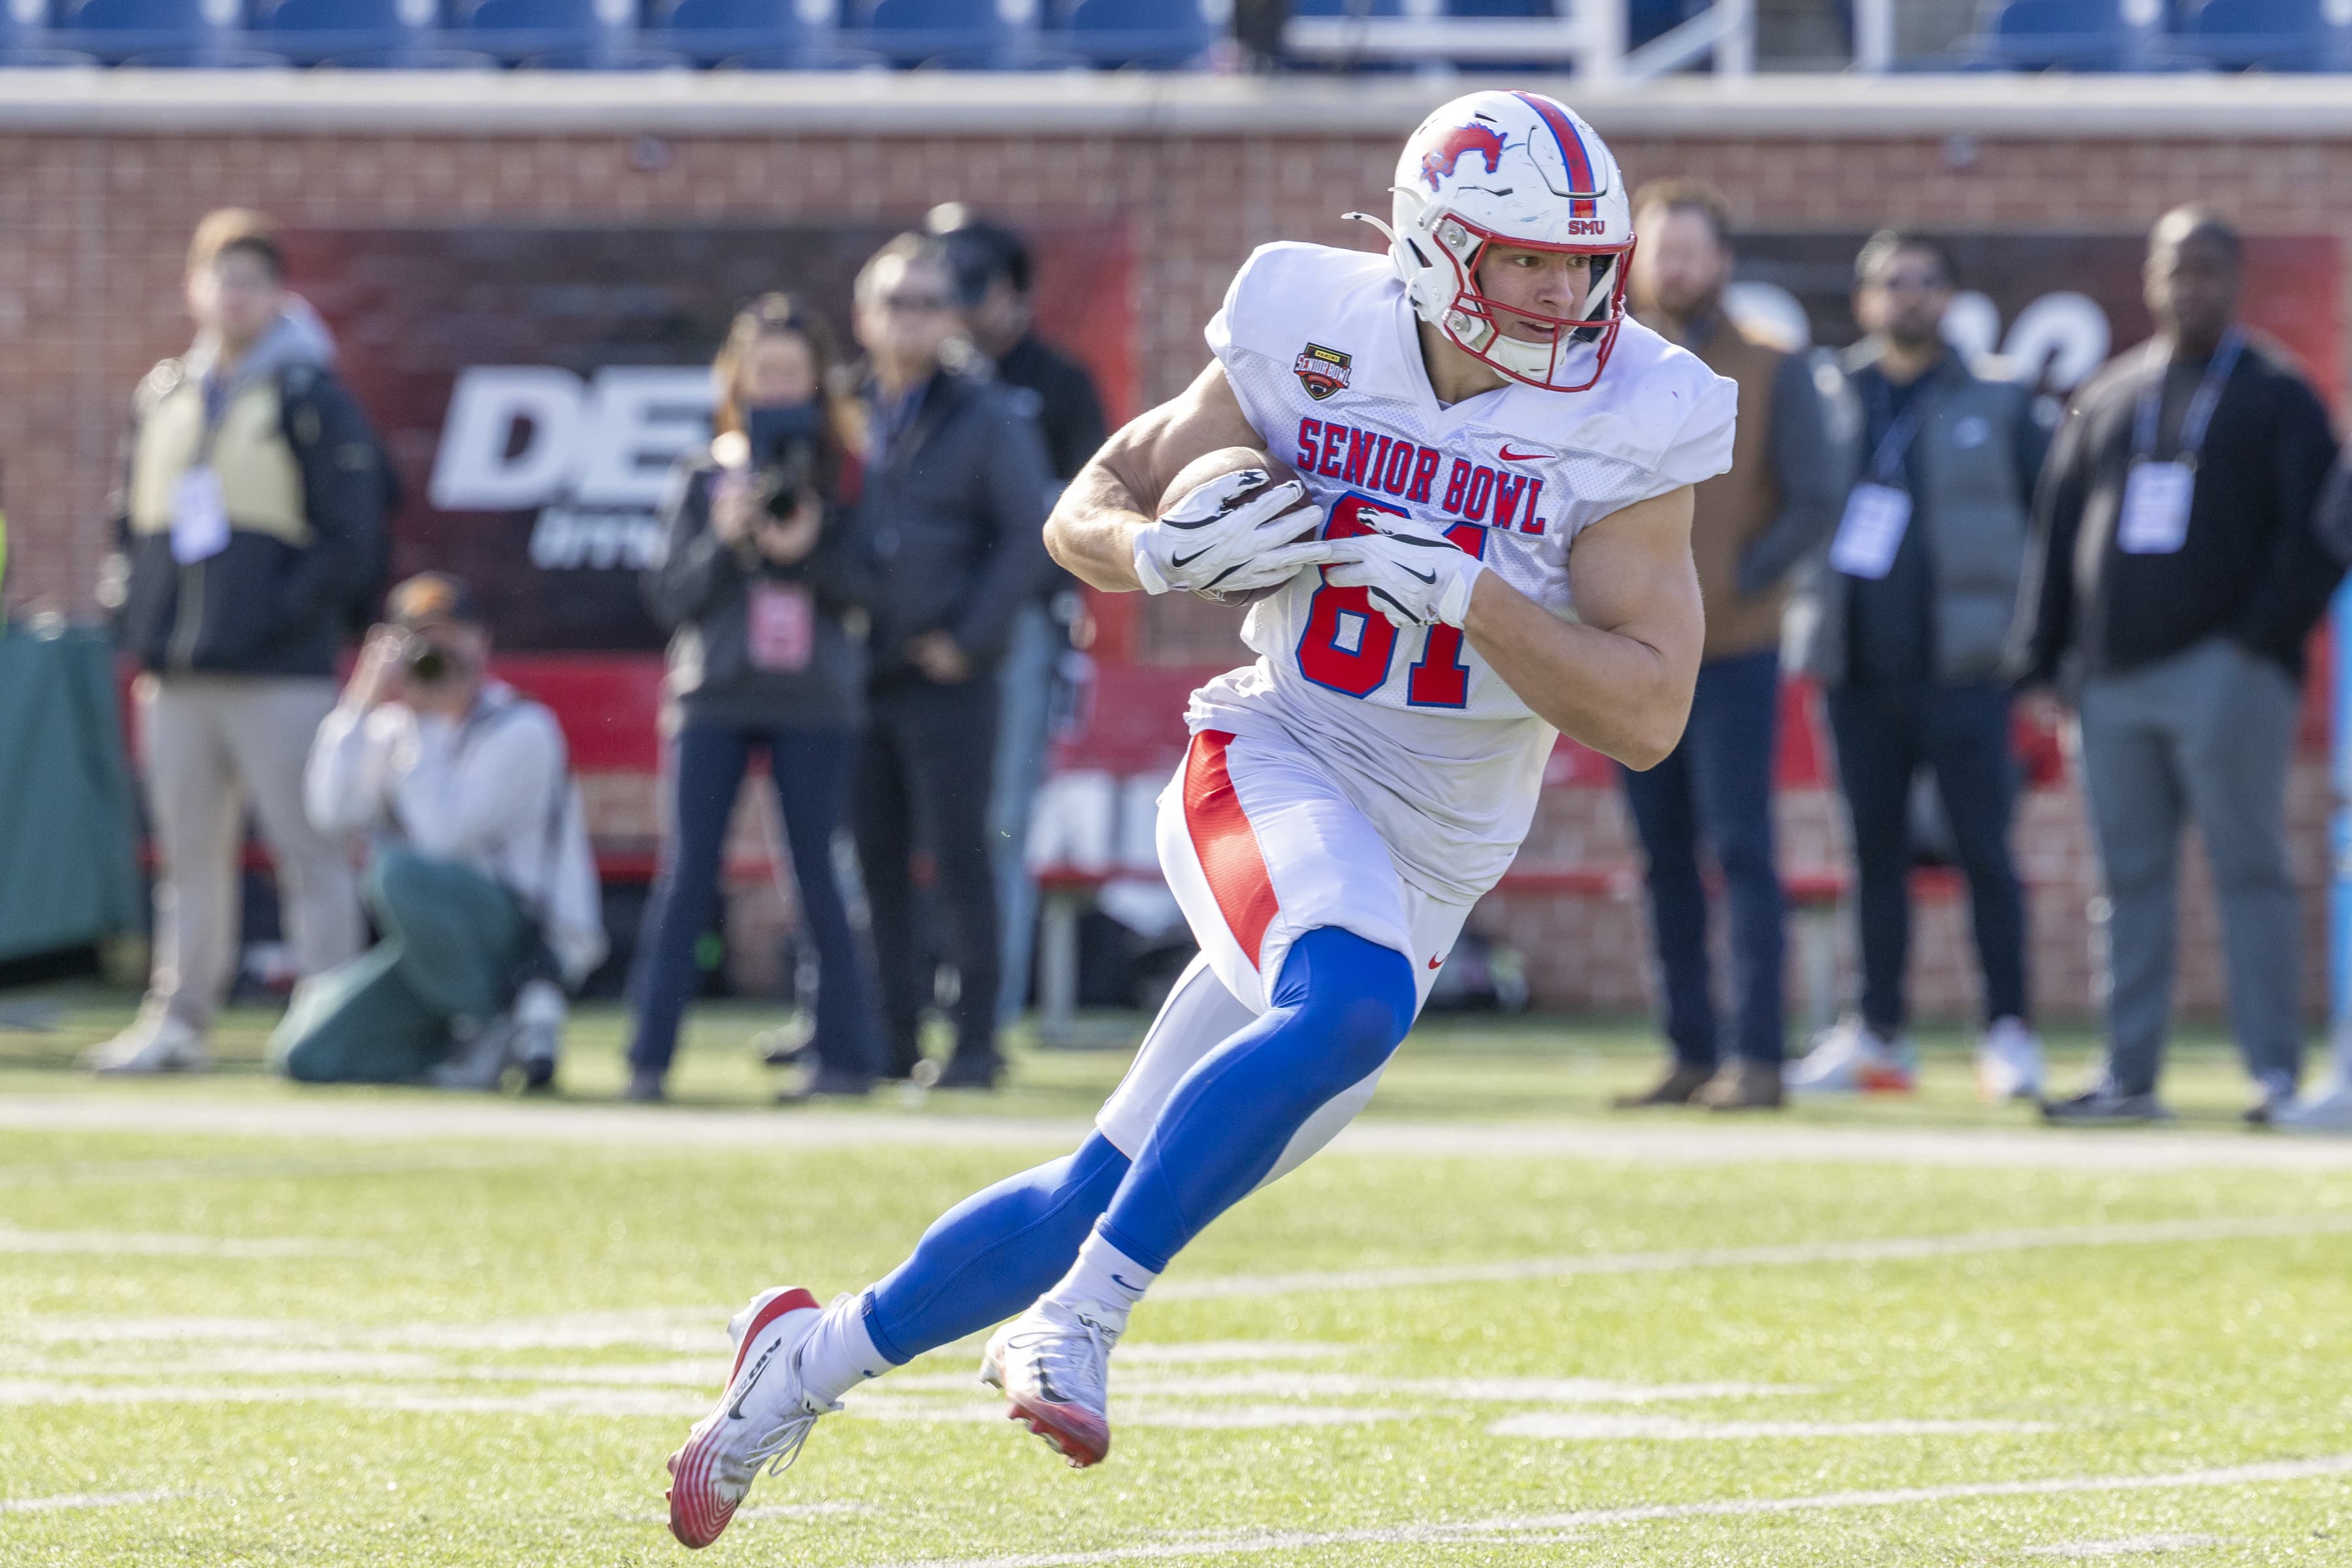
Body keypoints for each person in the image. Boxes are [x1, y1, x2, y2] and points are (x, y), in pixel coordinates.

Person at [660, 90, 1735, 1546]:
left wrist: (1475, 597)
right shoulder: (1312, 321)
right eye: (1521, 263)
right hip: (1280, 752)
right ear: (1428, 249)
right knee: (1339, 1006)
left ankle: (809, 1358)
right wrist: (1160, 551)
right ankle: (1077, 1329)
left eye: (1581, 264)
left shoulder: (1638, 409)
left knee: (1100, 1186)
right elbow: (1085, 506)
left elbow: (1650, 711)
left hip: (1431, 854)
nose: (1562, 295)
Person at [2017, 208, 2342, 1126]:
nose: (2188, 287)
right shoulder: (2113, 391)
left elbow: (2322, 532)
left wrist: (2258, 641)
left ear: (2234, 282)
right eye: (2174, 270)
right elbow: (2057, 532)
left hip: (2226, 675)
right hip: (2109, 682)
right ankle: (2130, 1078)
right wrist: (2043, 658)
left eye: (2206, 271)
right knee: (2126, 883)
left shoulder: (2278, 392)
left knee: (2250, 870)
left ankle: (2275, 1077)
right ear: (2151, 281)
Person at [84, 213, 382, 1075]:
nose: (234, 296)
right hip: (176, 674)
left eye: (252, 281)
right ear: (195, 289)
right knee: (186, 858)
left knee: (308, 847)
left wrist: (279, 617)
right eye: (221, 278)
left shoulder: (311, 396)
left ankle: (329, 1016)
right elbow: (125, 524)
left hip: (278, 674)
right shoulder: (164, 392)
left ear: (280, 296)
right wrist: (133, 615)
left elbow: (352, 538)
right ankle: (179, 1019)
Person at [1782, 232, 2051, 1103]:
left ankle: (2008, 1031)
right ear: (1864, 300)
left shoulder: (2000, 401)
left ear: (1952, 300)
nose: (1909, 298)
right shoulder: (1830, 395)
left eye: (1927, 283)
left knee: (1985, 854)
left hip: (1966, 668)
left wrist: (2035, 652)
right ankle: (1881, 1037)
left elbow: (2047, 528)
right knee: (1874, 858)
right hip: (1857, 668)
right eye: (1893, 284)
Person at [1611, 177, 1847, 1113]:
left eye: (1691, 250)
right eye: (1661, 249)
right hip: (1628, 654)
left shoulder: (1775, 365)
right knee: (1660, 856)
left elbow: (1817, 494)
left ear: (1724, 263)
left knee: (1742, 849)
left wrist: (1745, 580)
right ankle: (1689, 1051)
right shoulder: (1601, 363)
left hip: (1734, 652)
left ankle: (1758, 1056)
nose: (1675, 266)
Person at [625, 295, 883, 1105]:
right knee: (688, 875)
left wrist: (810, 550)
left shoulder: (848, 471)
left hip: (816, 699)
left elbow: (878, 591)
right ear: (736, 378)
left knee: (817, 878)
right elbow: (670, 598)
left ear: (817, 382)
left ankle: (844, 1060)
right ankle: (648, 1062)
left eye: (791, 374)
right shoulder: (705, 472)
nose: (775, 388)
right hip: (715, 696)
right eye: (761, 372)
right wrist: (726, 535)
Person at [846, 234, 1054, 1092]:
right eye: (897, 301)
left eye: (930, 302)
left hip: (951, 676)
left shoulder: (988, 414)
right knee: (874, 864)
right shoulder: (844, 412)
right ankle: (890, 1038)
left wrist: (966, 639)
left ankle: (974, 1042)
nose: (912, 318)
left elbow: (1025, 540)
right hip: (860, 675)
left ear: (952, 318)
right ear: (864, 317)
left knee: (963, 857)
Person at [270, 574, 606, 1088]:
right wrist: (359, 701)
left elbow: (443, 839)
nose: (438, 652)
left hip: (525, 941)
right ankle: (461, 1044)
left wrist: (428, 723)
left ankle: (491, 1024)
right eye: (421, 638)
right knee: (307, 1054)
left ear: (481, 642)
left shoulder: (522, 727)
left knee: (397, 874)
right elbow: (329, 810)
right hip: (433, 948)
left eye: (451, 634)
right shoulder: (392, 727)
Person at [926, 204, 1111, 1028]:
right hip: (924, 628)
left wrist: (984, 618)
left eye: (969, 287)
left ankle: (984, 1007)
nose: (955, 308)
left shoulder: (1060, 385)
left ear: (1010, 291)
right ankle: (887, 1002)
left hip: (1020, 627)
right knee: (897, 820)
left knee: (1001, 819)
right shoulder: (927, 383)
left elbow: (1077, 520)